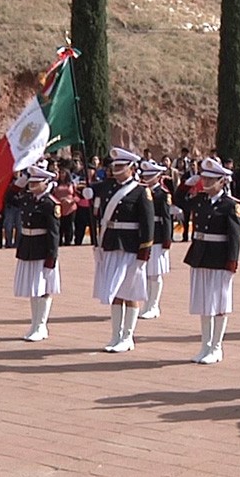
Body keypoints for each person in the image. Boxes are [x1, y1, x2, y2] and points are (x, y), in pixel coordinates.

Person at [87, 147, 154, 353]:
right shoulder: (107, 188)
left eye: (120, 166)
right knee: (115, 292)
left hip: (131, 247)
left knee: (130, 293)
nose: (116, 169)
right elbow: (99, 213)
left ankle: (127, 336)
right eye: (114, 166)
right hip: (111, 245)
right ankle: (115, 335)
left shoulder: (141, 192)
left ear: (131, 168)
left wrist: (144, 252)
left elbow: (148, 225)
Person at [181, 158, 240, 364]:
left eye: (210, 179)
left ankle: (216, 347)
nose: (206, 182)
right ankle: (205, 345)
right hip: (200, 255)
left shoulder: (230, 205)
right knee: (204, 303)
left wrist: (232, 261)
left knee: (219, 303)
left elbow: (234, 237)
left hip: (219, 257)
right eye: (204, 178)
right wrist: (189, 182)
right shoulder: (201, 200)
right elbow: (180, 201)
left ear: (222, 181)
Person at [14, 166, 61, 341]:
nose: (32, 185)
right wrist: (21, 180)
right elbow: (10, 197)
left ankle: (41, 325)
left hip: (42, 249)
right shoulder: (28, 199)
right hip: (28, 246)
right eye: (31, 181)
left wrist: (51, 259)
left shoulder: (50, 203)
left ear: (46, 183)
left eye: (36, 182)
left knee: (43, 290)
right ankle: (34, 324)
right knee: (33, 289)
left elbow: (54, 234)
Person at [136, 160, 173, 320]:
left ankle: (154, 305)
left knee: (155, 274)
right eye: (145, 175)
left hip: (157, 236)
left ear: (158, 176)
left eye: (150, 176)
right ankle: (147, 304)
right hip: (144, 235)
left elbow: (166, 218)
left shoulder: (162, 194)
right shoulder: (141, 191)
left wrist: (167, 239)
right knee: (145, 273)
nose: (146, 178)